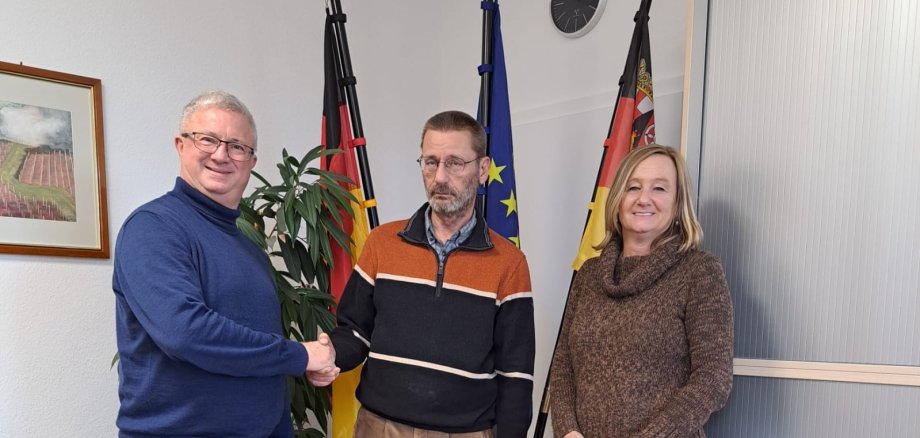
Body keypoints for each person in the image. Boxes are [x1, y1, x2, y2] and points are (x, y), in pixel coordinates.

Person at [113, 91, 337, 437]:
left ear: (251, 161)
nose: (221, 155)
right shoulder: (152, 228)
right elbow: (185, 332)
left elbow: (262, 368)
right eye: (207, 140)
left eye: (237, 146)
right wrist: (299, 356)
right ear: (181, 144)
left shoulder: (249, 249)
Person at [316, 110, 535, 437]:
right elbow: (355, 331)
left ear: (483, 169)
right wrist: (331, 352)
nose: (441, 177)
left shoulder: (509, 262)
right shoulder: (382, 243)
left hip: (465, 433)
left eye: (455, 163)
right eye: (431, 162)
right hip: (379, 427)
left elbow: (515, 374)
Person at [550, 145, 733, 437]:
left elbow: (714, 378)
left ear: (677, 205)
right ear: (618, 200)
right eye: (632, 187)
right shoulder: (589, 275)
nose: (643, 198)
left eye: (659, 188)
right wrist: (568, 431)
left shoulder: (699, 272)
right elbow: (562, 366)